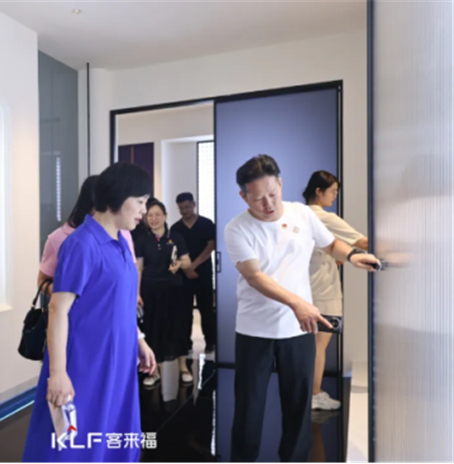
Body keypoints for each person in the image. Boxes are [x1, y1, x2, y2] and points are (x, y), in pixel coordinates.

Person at [224, 155, 379, 462]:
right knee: (249, 408)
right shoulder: (237, 229)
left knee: (298, 406)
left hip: (298, 330)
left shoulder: (302, 214)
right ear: (243, 196)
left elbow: (329, 244)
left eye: (273, 194)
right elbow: (255, 276)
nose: (268, 204)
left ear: (280, 184)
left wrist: (351, 256)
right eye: (258, 199)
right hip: (255, 331)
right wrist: (297, 303)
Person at [23, 162, 157, 462]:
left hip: (118, 358)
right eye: (139, 202)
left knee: (111, 432)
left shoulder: (121, 240)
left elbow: (119, 302)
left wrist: (138, 340)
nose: (143, 210)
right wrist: (58, 373)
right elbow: (58, 309)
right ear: (118, 197)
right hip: (86, 361)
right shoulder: (82, 244)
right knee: (75, 441)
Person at [303, 171, 368, 411]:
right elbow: (361, 242)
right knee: (319, 345)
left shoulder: (300, 214)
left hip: (307, 287)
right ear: (318, 191)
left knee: (310, 345)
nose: (335, 196)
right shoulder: (323, 216)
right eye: (333, 191)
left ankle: (308, 393)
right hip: (323, 289)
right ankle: (314, 394)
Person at [38, 175, 135, 294]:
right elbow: (42, 280)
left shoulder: (123, 233)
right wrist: (66, 291)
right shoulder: (60, 238)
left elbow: (131, 270)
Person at [136, 198, 192, 387]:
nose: (153, 219)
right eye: (150, 215)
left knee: (179, 328)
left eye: (157, 215)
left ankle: (184, 368)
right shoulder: (141, 240)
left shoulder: (176, 237)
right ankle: (154, 371)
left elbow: (187, 262)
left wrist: (179, 264)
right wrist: (136, 293)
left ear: (165, 216)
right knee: (152, 331)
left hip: (174, 290)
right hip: (150, 291)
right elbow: (138, 268)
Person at [171, 192, 217, 353]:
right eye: (181, 208)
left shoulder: (206, 224)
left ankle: (210, 342)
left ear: (194, 204)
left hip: (203, 273)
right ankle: (186, 343)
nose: (184, 211)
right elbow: (174, 253)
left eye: (187, 207)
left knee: (206, 309)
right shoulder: (175, 229)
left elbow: (211, 246)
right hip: (183, 275)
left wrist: (193, 265)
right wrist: (186, 269)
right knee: (184, 311)